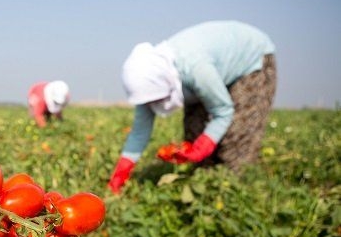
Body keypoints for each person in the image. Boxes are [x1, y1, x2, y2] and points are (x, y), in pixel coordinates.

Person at [108, 20, 276, 193]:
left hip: (251, 59)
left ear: (166, 85)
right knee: (194, 129)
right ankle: (204, 185)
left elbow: (223, 111)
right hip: (211, 69)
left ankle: (233, 190)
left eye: (155, 101)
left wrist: (205, 144)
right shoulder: (149, 82)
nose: (151, 106)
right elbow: (139, 132)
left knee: (237, 134)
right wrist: (121, 172)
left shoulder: (195, 69)